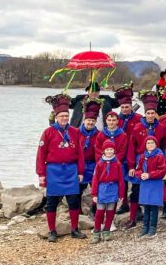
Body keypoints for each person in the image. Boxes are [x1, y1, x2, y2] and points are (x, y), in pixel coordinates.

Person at [37, 94, 86, 242]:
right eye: (62, 116)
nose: (64, 118)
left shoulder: (75, 132)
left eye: (66, 115)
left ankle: (74, 229)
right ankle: (52, 231)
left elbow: (80, 154)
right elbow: (40, 154)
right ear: (56, 117)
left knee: (73, 201)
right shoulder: (48, 132)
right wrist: (41, 174)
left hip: (71, 171)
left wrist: (81, 171)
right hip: (53, 171)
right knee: (52, 202)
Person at [125, 92, 166, 229]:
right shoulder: (137, 127)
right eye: (148, 113)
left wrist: (163, 164)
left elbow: (163, 146)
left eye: (152, 113)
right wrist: (131, 166)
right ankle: (133, 218)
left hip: (156, 162)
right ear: (145, 113)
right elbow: (131, 147)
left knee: (154, 188)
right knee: (136, 189)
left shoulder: (161, 128)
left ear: (155, 114)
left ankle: (154, 219)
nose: (150, 116)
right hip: (140, 161)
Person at [90, 140, 125, 244]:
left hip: (113, 188)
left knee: (110, 211)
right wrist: (94, 193)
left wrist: (121, 193)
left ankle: (107, 231)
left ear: (114, 151)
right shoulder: (100, 164)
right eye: (107, 149)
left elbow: (121, 180)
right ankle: (96, 232)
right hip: (102, 188)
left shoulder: (117, 163)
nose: (109, 151)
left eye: (111, 149)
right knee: (100, 211)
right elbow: (95, 179)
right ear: (103, 151)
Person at [134, 136, 166, 238]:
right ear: (145, 145)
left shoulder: (159, 156)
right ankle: (145, 227)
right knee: (146, 206)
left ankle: (152, 228)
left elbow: (162, 170)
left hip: (155, 183)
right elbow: (138, 169)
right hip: (145, 184)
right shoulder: (142, 157)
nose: (150, 145)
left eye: (152, 143)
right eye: (148, 143)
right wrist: (141, 174)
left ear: (156, 144)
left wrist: (149, 174)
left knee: (153, 207)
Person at [78, 98, 101, 215]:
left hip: (94, 165)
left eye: (93, 121)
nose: (90, 123)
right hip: (80, 166)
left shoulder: (99, 135)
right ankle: (78, 211)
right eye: (88, 120)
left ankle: (95, 209)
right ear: (84, 120)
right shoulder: (76, 133)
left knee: (96, 189)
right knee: (78, 190)